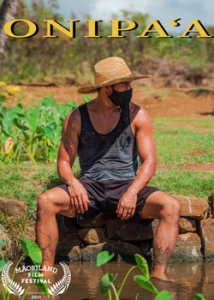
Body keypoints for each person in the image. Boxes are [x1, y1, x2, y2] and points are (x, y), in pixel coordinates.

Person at [36, 56, 180, 282]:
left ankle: (159, 274)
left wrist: (132, 192)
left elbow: (149, 161)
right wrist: (74, 183)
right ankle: (46, 270)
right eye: (124, 84)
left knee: (171, 207)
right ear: (106, 88)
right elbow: (64, 162)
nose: (129, 89)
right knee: (46, 201)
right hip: (89, 187)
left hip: (125, 185)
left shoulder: (137, 115)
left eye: (130, 84)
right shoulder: (77, 118)